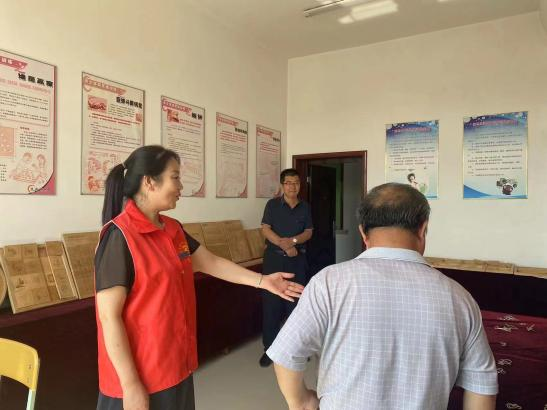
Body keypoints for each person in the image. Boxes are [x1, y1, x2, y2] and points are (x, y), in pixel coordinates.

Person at [94, 145, 304, 410]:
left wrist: (263, 281)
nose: (181, 186)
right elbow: (109, 317)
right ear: (149, 182)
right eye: (175, 177)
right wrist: (130, 384)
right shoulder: (119, 237)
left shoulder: (172, 229)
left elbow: (211, 262)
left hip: (175, 365)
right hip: (139, 378)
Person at [267, 183, 498, 410]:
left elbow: (286, 354)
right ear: (423, 228)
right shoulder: (459, 298)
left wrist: (301, 402)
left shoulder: (328, 282)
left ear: (362, 232)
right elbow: (482, 386)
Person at [259, 168, 313, 367]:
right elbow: (265, 229)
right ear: (282, 185)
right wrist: (284, 245)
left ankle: (297, 348)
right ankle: (270, 350)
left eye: (296, 183)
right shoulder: (272, 205)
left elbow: (308, 232)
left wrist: (293, 242)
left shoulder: (305, 207)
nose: (292, 186)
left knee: (296, 305)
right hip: (274, 261)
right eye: (289, 183)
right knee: (271, 306)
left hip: (297, 260)